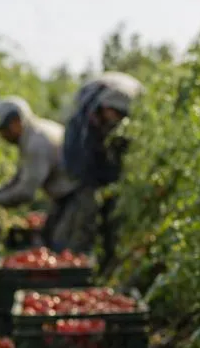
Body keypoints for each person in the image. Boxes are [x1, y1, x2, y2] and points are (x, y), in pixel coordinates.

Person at [61, 71, 144, 260]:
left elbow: (129, 157)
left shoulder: (131, 117)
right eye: (112, 112)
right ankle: (78, 260)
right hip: (87, 164)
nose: (115, 117)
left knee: (113, 218)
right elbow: (79, 159)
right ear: (103, 107)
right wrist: (85, 187)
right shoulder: (83, 122)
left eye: (119, 114)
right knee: (86, 212)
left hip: (113, 169)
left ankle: (109, 257)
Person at [0, 96, 78, 251]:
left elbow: (26, 191)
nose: (2, 136)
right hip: (66, 196)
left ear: (16, 122)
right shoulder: (33, 134)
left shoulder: (36, 144)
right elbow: (19, 179)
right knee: (50, 239)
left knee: (63, 247)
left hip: (76, 195)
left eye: (3, 130)